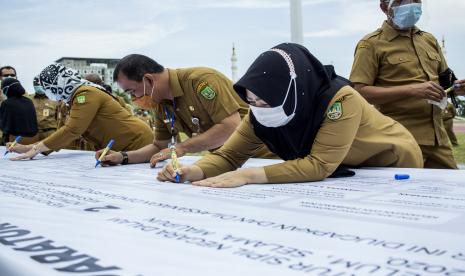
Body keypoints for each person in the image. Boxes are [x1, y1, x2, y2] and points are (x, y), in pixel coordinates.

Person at [157, 43, 423, 187]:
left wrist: (248, 176)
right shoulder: (261, 110)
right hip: (348, 165)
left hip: (389, 162)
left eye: (263, 100)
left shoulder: (341, 100)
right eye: (251, 100)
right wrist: (195, 171)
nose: (258, 108)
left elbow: (318, 165)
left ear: (293, 91)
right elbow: (229, 154)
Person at [96, 54, 272, 168]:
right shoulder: (160, 103)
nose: (134, 98)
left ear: (148, 80)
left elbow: (231, 127)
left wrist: (182, 148)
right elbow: (160, 146)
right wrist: (123, 157)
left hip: (264, 158)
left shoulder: (201, 82)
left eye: (132, 91)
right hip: (229, 164)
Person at [349, 0, 465, 169]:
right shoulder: (370, 44)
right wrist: (412, 90)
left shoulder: (429, 40)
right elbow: (358, 92)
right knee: (405, 192)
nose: (410, 5)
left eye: (416, 0)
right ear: (384, 7)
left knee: (451, 192)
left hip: (438, 139)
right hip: (400, 140)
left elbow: (444, 81)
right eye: (401, 1)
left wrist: (456, 88)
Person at [6, 64, 154, 160]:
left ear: (60, 83)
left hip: (137, 142)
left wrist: (35, 149)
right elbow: (63, 134)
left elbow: (73, 130)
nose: (50, 93)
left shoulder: (86, 93)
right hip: (119, 147)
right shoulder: (72, 100)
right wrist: (29, 147)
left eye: (49, 88)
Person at [0, 77, 38, 145]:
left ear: (6, 88)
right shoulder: (29, 101)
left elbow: (4, 126)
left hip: (14, 140)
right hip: (33, 139)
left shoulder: (6, 103)